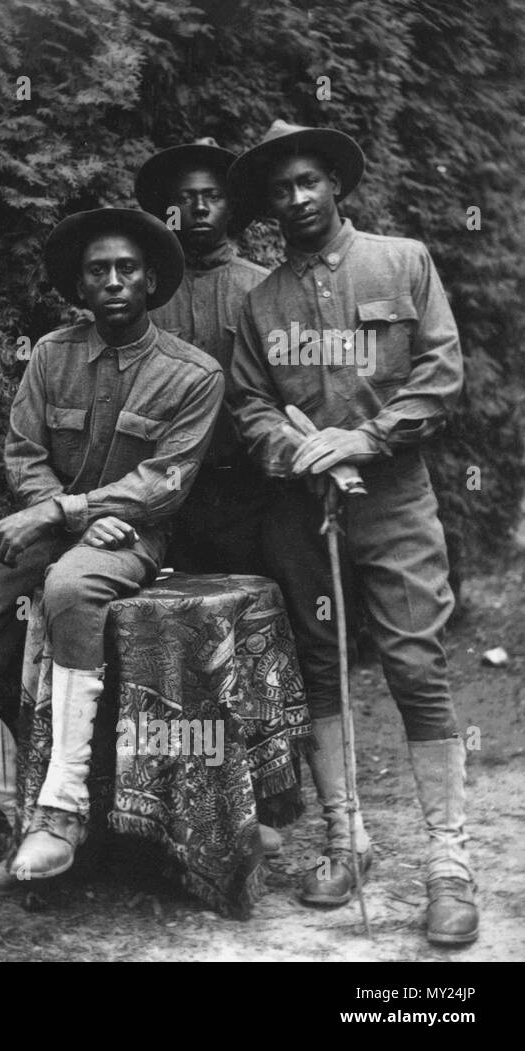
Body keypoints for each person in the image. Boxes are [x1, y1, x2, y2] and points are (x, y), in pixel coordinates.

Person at [0, 208, 223, 895]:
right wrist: (60, 511)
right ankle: (30, 824)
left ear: (150, 281)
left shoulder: (194, 374)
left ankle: (62, 809)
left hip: (132, 535)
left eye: (127, 269)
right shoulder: (51, 356)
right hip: (53, 528)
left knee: (69, 587)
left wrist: (69, 513)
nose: (113, 281)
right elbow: (24, 453)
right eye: (98, 271)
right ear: (80, 286)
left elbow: (164, 482)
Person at [226, 120, 477, 945]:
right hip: (303, 509)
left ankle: (449, 861)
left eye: (309, 181)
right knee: (319, 663)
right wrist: (294, 447)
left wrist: (365, 438)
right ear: (269, 204)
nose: (297, 198)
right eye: (281, 189)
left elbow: (441, 373)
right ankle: (346, 838)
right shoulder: (261, 301)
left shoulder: (402, 262)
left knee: (415, 661)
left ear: (336, 182)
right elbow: (250, 404)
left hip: (393, 499)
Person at [135, 138, 285, 857]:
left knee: (254, 644)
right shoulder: (148, 295)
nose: (197, 209)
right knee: (181, 650)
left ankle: (267, 798)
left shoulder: (262, 288)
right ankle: (187, 799)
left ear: (233, 206)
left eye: (212, 196)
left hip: (250, 491)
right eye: (184, 198)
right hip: (171, 498)